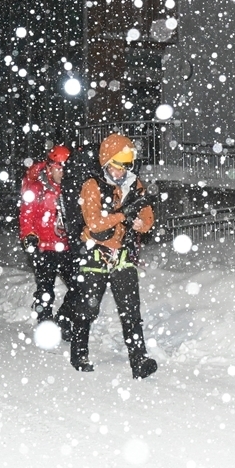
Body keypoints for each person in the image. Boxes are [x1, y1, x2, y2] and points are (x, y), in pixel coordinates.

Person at [72, 133, 158, 379]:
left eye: (126, 166)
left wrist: (141, 222)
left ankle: (139, 360)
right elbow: (95, 223)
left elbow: (147, 218)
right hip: (95, 252)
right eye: (118, 166)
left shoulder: (135, 184)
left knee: (131, 310)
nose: (122, 171)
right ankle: (79, 352)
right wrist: (123, 215)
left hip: (122, 254)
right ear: (106, 162)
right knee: (88, 308)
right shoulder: (92, 186)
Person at [18, 144, 78, 339]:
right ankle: (45, 322)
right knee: (46, 288)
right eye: (58, 168)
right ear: (50, 167)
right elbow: (26, 219)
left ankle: (63, 320)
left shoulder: (72, 188)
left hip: (66, 247)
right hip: (43, 248)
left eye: (65, 168)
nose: (62, 172)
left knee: (78, 286)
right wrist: (30, 240)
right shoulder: (37, 189)